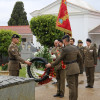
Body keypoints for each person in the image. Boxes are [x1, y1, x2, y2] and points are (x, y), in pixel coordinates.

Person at [46, 35, 82, 100]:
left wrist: (51, 65)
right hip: (76, 68)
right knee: (75, 86)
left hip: (69, 69)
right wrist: (74, 63)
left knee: (71, 87)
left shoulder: (65, 49)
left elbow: (59, 59)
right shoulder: (75, 48)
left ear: (64, 41)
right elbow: (80, 58)